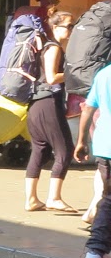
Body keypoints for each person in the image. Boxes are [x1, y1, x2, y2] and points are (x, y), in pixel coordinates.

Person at [26, 12, 76, 214]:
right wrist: (73, 73)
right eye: (68, 26)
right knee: (65, 150)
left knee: (40, 150)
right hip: (48, 103)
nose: (71, 30)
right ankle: (54, 198)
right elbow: (52, 77)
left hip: (37, 104)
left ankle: (31, 199)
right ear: (55, 27)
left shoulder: (47, 46)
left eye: (72, 26)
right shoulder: (53, 47)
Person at [77, 62, 111, 258]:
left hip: (105, 145)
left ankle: (96, 250)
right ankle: (97, 247)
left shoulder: (103, 74)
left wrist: (81, 140)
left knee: (108, 198)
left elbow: (88, 108)